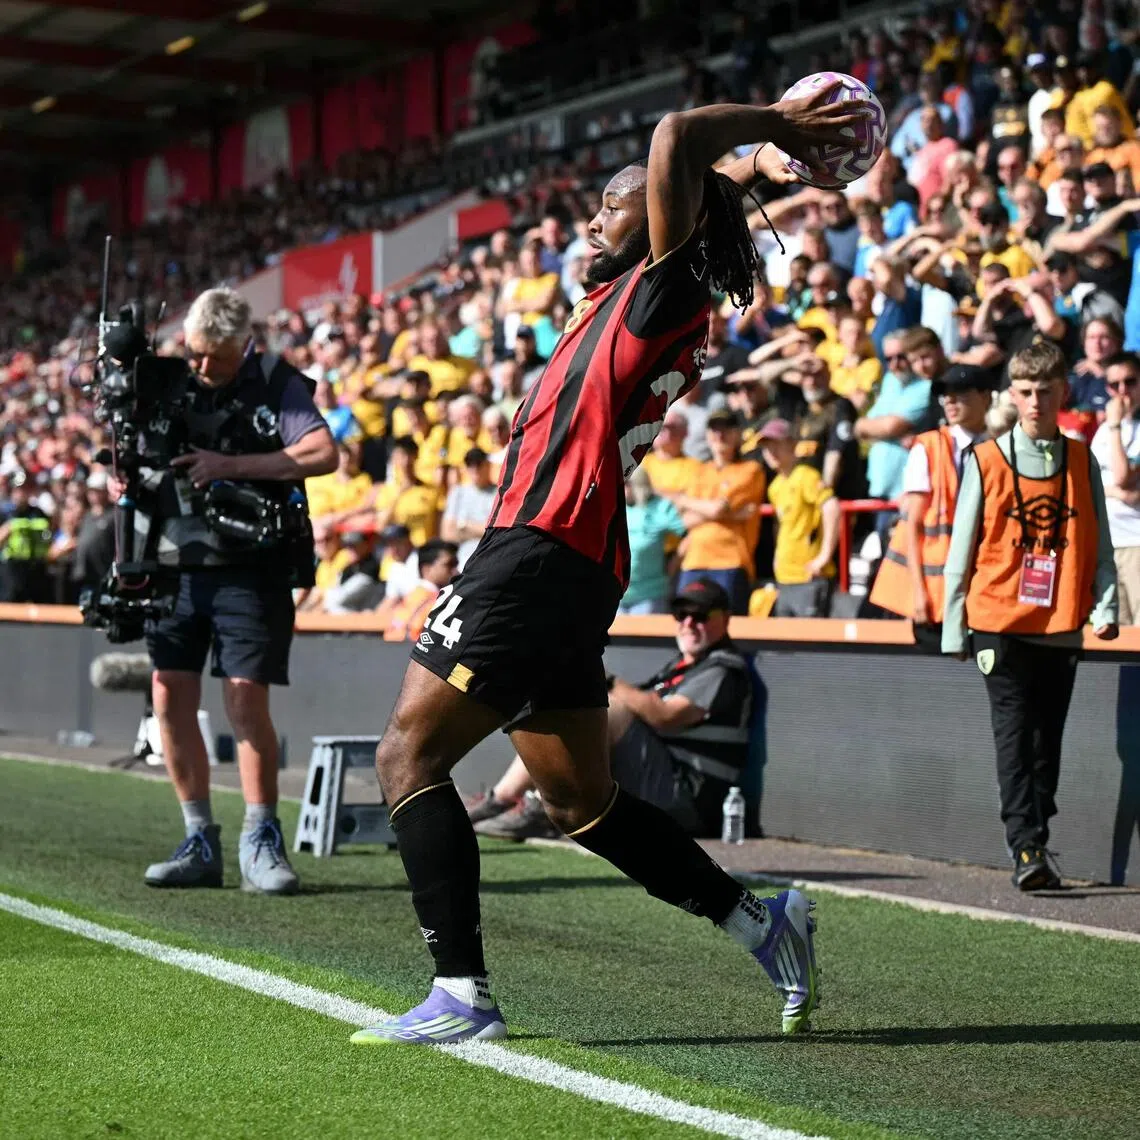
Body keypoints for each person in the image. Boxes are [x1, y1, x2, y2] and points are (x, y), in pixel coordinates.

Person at [351, 88, 871, 1046]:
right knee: (579, 800)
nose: (593, 217)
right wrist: (753, 169)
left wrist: (774, 128)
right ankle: (762, 921)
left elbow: (674, 138)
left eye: (613, 205)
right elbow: (693, 175)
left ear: (656, 224)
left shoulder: (663, 288)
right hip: (572, 560)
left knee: (406, 756)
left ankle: (460, 992)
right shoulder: (628, 288)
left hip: (541, 550)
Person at [118, 287, 337, 896]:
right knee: (167, 698)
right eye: (194, 354)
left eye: (215, 357)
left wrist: (227, 464)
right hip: (172, 561)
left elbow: (323, 453)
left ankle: (260, 837)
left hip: (253, 566)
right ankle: (198, 838)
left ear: (245, 343)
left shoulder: (275, 381)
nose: (202, 368)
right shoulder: (169, 379)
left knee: (244, 701)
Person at [942, 341, 1119, 890]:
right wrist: (955, 628)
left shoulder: (1081, 457)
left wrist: (1107, 605)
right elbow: (961, 548)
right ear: (1010, 396)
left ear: (1063, 391)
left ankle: (1035, 836)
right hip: (997, 620)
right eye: (1025, 392)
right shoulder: (986, 459)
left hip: (1061, 622)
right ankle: (1026, 848)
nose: (1036, 401)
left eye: (1046, 390)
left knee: (1048, 745)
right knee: (1014, 739)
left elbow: (1103, 545)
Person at [472, 579, 754, 842]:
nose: (689, 623)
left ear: (726, 619)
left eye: (701, 616)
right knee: (567, 704)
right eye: (682, 614)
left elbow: (664, 716)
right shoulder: (682, 667)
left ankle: (535, 807)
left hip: (689, 799)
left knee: (606, 709)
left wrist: (603, 678)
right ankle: (510, 800)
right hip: (661, 783)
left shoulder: (723, 670)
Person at [869, 365, 992, 645]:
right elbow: (911, 525)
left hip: (980, 596)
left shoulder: (996, 450)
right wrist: (918, 593)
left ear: (985, 397)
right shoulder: (928, 447)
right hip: (936, 600)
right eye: (945, 395)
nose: (949, 400)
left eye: (959, 393)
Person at [758, 420, 840, 618]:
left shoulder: (806, 476)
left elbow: (832, 507)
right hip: (785, 577)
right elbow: (783, 524)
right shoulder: (775, 486)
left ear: (792, 445)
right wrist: (778, 558)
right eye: (767, 447)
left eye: (777, 444)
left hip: (809, 576)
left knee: (809, 643)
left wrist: (825, 555)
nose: (772, 451)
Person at [1090, 351, 1140, 623]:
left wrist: (1116, 425)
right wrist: (1117, 493)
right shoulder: (1103, 432)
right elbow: (1091, 484)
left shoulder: (1113, 428)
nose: (1122, 391)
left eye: (1130, 382)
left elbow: (1121, 477)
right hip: (1109, 545)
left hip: (1136, 543)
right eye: (1114, 385)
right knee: (1117, 632)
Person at [620, 467, 687, 615]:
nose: (621, 486)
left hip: (650, 594)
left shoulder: (662, 507)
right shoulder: (617, 507)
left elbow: (687, 535)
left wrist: (674, 563)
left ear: (638, 484)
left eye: (626, 483)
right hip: (618, 595)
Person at [0, 468, 51, 603]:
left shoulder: (38, 513)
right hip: (10, 572)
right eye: (18, 490)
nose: (21, 494)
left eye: (25, 489)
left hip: (34, 571)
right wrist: (7, 530)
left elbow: (48, 539)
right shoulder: (4, 514)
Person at [440, 448, 497, 569]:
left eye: (478, 464)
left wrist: (465, 526)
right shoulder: (458, 493)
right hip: (462, 560)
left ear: (487, 465)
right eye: (470, 465)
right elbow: (447, 534)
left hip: (490, 558)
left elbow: (495, 533)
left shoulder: (498, 494)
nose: (474, 468)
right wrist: (480, 530)